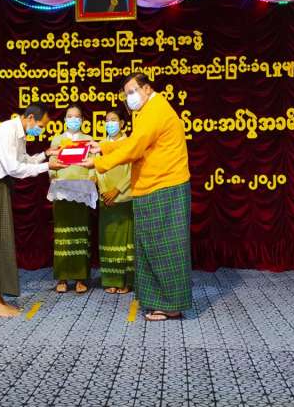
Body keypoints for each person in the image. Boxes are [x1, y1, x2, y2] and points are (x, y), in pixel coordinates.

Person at [79, 73, 192, 321]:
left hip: (164, 185)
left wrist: (99, 163)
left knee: (164, 248)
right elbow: (134, 141)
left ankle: (171, 305)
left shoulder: (155, 111)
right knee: (150, 247)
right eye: (126, 94)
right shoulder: (147, 111)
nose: (129, 97)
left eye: (133, 91)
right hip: (153, 186)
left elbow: (134, 148)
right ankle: (159, 301)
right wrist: (104, 146)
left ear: (147, 88)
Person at [0, 104, 65, 317]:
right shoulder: (7, 131)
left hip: (0, 185)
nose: (41, 130)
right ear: (30, 117)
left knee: (2, 240)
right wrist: (48, 166)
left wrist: (45, 154)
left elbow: (23, 161)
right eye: (41, 125)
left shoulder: (19, 133)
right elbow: (14, 168)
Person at [47, 104, 96, 294]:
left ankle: (80, 278)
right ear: (65, 119)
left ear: (82, 120)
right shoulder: (57, 139)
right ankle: (62, 277)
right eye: (70, 116)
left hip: (82, 191)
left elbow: (94, 164)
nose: (73, 120)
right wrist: (53, 176)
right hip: (61, 190)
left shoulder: (88, 140)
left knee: (81, 234)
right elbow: (51, 164)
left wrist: (92, 177)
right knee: (63, 234)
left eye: (77, 117)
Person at [97, 107, 134, 294]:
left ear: (122, 123)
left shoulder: (129, 143)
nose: (109, 124)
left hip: (125, 197)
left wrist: (116, 191)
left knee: (125, 240)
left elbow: (132, 171)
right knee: (109, 239)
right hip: (105, 199)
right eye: (107, 121)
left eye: (113, 120)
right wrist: (105, 191)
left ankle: (126, 281)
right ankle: (111, 280)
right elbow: (97, 169)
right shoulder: (100, 145)